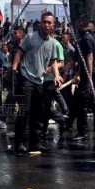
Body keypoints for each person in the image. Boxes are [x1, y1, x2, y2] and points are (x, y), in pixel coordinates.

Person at [11, 11, 62, 155]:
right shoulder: (30, 37)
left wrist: (57, 76)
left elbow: (53, 61)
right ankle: (19, 143)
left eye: (49, 22)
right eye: (44, 22)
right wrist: (14, 69)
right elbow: (19, 53)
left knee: (39, 112)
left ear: (53, 25)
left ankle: (35, 143)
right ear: (40, 23)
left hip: (40, 80)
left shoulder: (53, 43)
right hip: (26, 77)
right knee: (25, 110)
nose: (46, 25)